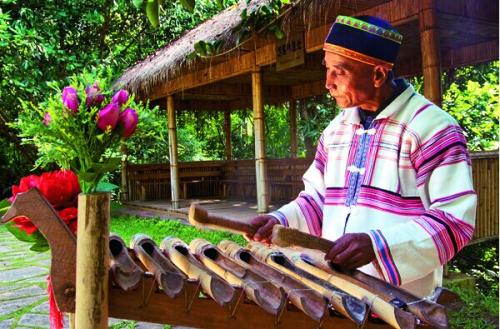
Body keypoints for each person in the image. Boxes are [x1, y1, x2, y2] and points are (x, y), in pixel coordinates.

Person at [248, 15, 476, 297]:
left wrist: (378, 246)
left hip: (399, 301)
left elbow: (454, 221)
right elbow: (318, 201)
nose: (327, 83)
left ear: (378, 75)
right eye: (327, 69)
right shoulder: (335, 132)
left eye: (339, 72)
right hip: (333, 289)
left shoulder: (433, 130)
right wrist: (281, 221)